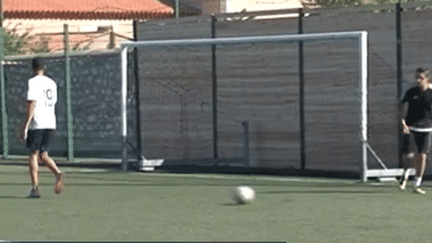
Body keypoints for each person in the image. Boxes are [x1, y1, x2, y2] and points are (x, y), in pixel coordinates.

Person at [21, 57, 64, 198]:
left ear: (32, 68)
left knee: (33, 154)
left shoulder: (32, 82)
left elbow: (32, 103)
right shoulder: (52, 83)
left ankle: (35, 189)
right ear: (44, 68)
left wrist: (26, 126)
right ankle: (57, 173)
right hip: (50, 122)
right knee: (43, 154)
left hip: (38, 123)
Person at [399, 67, 432, 194]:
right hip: (411, 127)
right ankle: (405, 174)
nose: (418, 80)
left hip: (426, 127)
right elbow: (401, 105)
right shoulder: (411, 91)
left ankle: (417, 183)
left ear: (426, 79)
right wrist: (403, 122)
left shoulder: (430, 92)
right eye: (416, 77)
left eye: (421, 78)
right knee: (409, 154)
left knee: (422, 156)